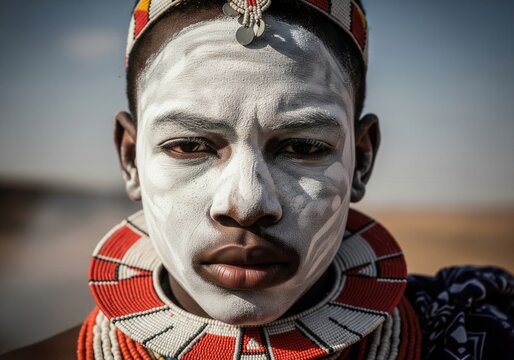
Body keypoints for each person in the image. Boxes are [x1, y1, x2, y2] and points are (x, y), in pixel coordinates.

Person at [2, 0, 513, 359]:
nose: (246, 204)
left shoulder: (474, 333)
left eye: (304, 147)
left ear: (361, 159)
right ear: (131, 157)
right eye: (189, 146)